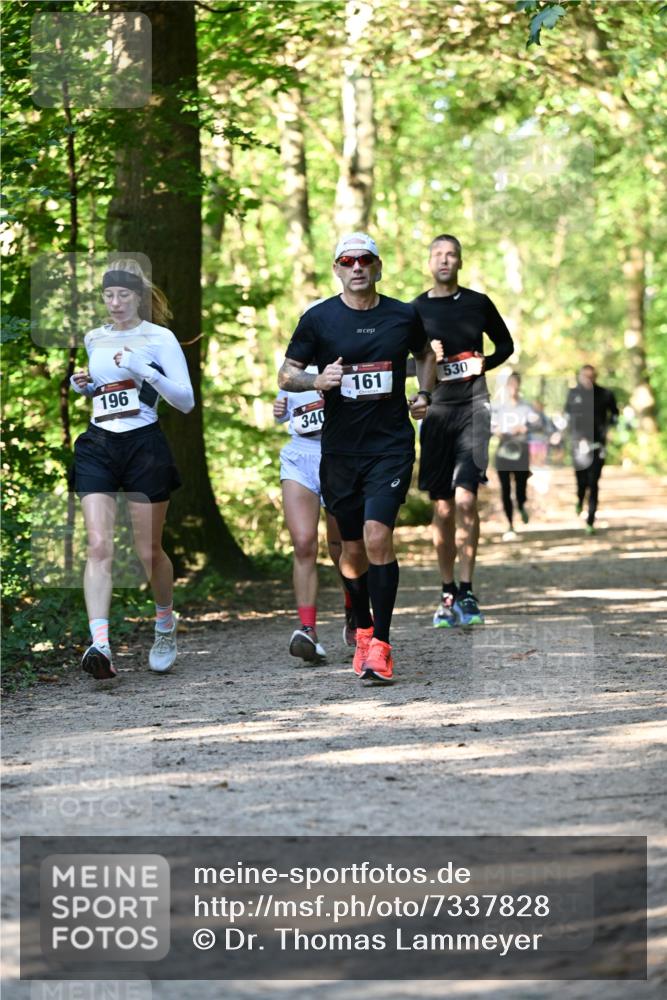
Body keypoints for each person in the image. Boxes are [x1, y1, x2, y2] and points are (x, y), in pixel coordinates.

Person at [278, 232, 435, 685]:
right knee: (349, 550)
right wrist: (316, 381)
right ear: (338, 270)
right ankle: (362, 627)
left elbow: (426, 356)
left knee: (376, 536)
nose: (357, 267)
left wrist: (424, 393)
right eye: (348, 261)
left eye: (365, 260)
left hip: (389, 446)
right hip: (340, 450)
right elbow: (286, 375)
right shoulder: (318, 319)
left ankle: (381, 645)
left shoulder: (404, 315)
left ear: (378, 266)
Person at [70, 259, 194, 679]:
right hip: (98, 444)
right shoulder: (94, 337)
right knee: (99, 546)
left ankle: (164, 624)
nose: (116, 303)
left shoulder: (160, 338)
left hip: (144, 446)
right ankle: (100, 645)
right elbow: (109, 390)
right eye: (108, 295)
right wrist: (87, 386)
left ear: (138, 298)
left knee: (148, 552)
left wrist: (144, 370)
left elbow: (185, 400)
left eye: (124, 295)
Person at [414, 234, 514, 628]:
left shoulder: (478, 303)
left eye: (451, 254)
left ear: (460, 261)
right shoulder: (416, 309)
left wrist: (482, 364)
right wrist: (427, 360)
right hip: (437, 415)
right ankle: (446, 591)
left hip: (474, 408)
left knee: (466, 500)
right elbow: (403, 363)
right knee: (442, 507)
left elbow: (506, 345)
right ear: (429, 262)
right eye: (438, 254)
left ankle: (468, 591)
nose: (444, 260)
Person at [273, 367, 356, 665]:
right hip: (299, 456)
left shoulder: (345, 364)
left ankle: (354, 608)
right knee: (304, 543)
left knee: (343, 548)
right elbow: (284, 414)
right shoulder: (293, 369)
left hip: (340, 456)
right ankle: (308, 629)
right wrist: (279, 409)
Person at [564, 364, 618, 534]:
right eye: (585, 376)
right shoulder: (573, 394)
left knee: (594, 482)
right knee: (582, 482)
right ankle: (580, 499)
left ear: (595, 377)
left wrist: (609, 429)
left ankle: (590, 521)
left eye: (591, 376)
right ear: (580, 377)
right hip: (579, 445)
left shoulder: (605, 394)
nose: (588, 379)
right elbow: (567, 415)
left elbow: (615, 415)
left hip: (598, 444)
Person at [491, 372, 540, 540]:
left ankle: (521, 505)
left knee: (520, 488)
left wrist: (525, 428)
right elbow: (493, 428)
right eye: (510, 384)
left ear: (519, 385)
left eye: (516, 384)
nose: (513, 387)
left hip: (521, 452)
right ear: (506, 387)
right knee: (505, 489)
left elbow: (535, 425)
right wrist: (505, 431)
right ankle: (510, 524)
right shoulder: (498, 407)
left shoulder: (526, 407)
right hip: (504, 450)